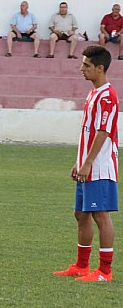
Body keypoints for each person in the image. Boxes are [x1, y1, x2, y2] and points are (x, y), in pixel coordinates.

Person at [53, 45, 118, 282]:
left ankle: (105, 271)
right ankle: (81, 266)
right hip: (87, 164)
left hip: (100, 167)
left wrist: (89, 163)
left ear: (100, 68)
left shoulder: (108, 96)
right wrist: (78, 161)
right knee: (80, 214)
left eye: (86, 65)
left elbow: (103, 132)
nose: (81, 69)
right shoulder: (93, 93)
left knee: (101, 216)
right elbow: (88, 132)